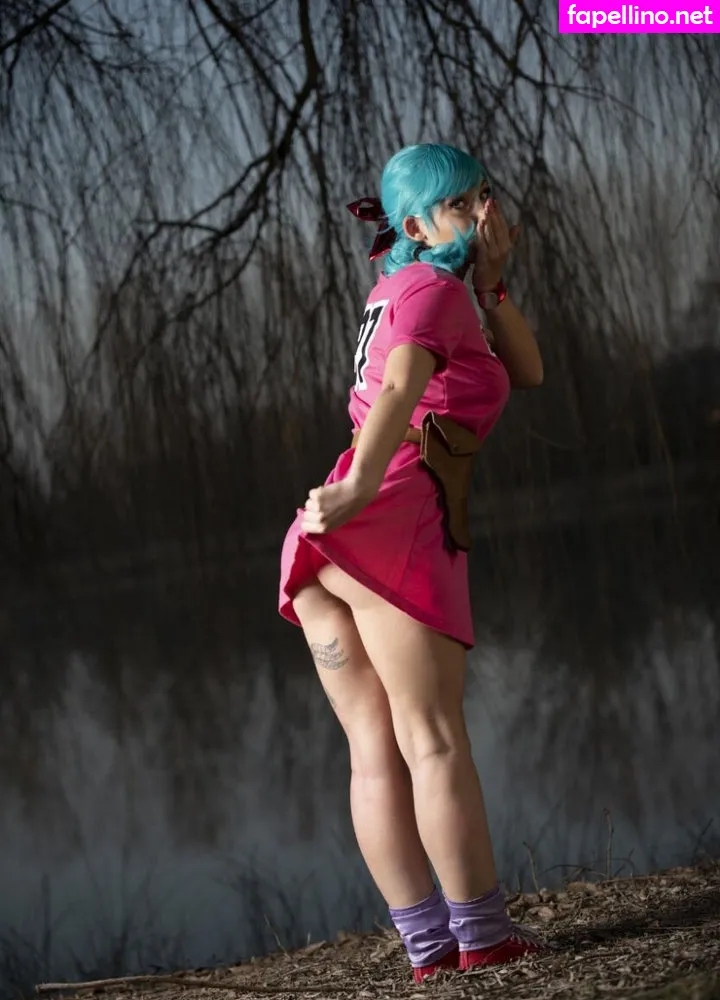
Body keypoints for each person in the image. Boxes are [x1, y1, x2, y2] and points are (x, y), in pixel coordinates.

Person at [278, 143, 544, 982]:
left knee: (375, 748)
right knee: (431, 740)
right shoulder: (431, 290)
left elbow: (528, 371)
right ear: (418, 225)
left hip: (329, 540)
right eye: (462, 203)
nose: (484, 213)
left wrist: (494, 283)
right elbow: (398, 391)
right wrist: (360, 490)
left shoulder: (404, 290)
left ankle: (430, 946)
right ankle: (482, 937)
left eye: (485, 195)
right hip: (385, 518)